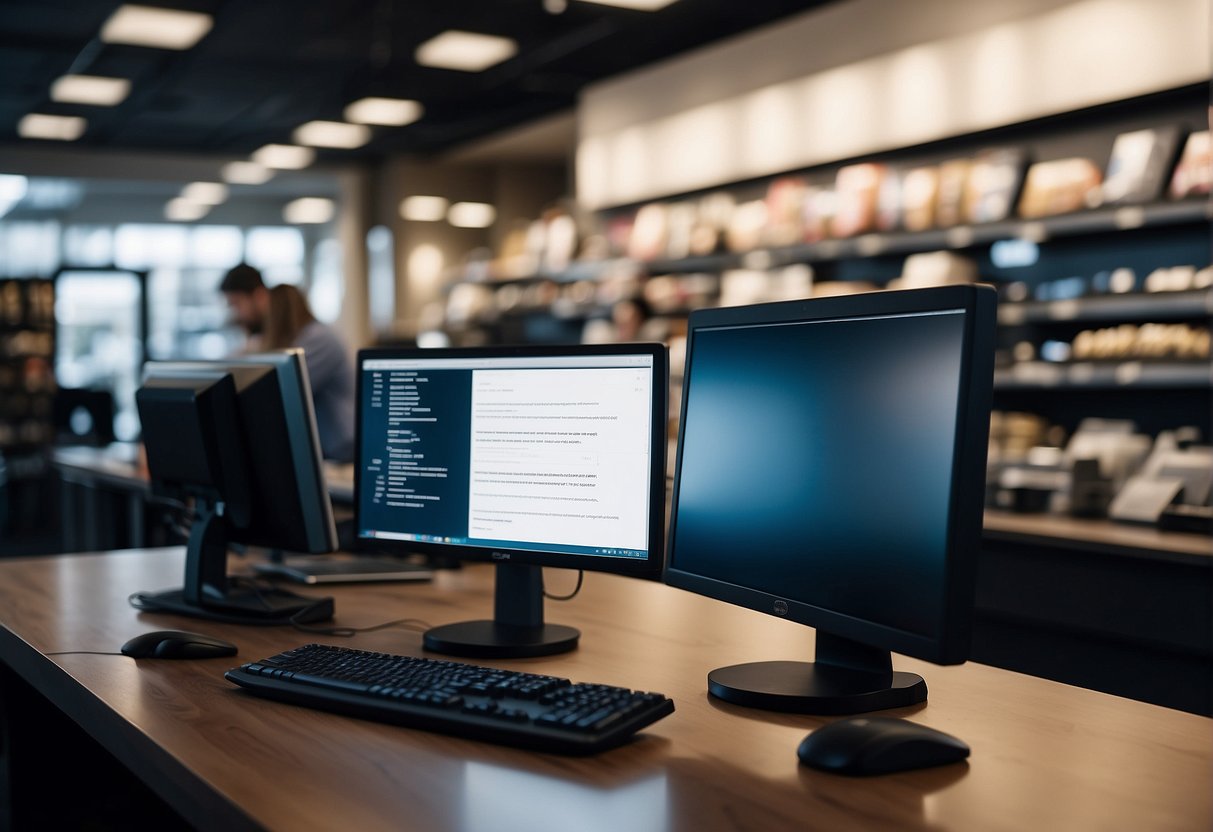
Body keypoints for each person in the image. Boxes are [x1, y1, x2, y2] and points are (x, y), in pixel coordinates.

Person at [219, 264, 355, 462]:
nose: (236, 314)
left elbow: (280, 391)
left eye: (237, 304)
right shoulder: (295, 341)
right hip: (322, 453)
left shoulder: (318, 338)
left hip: (341, 453)